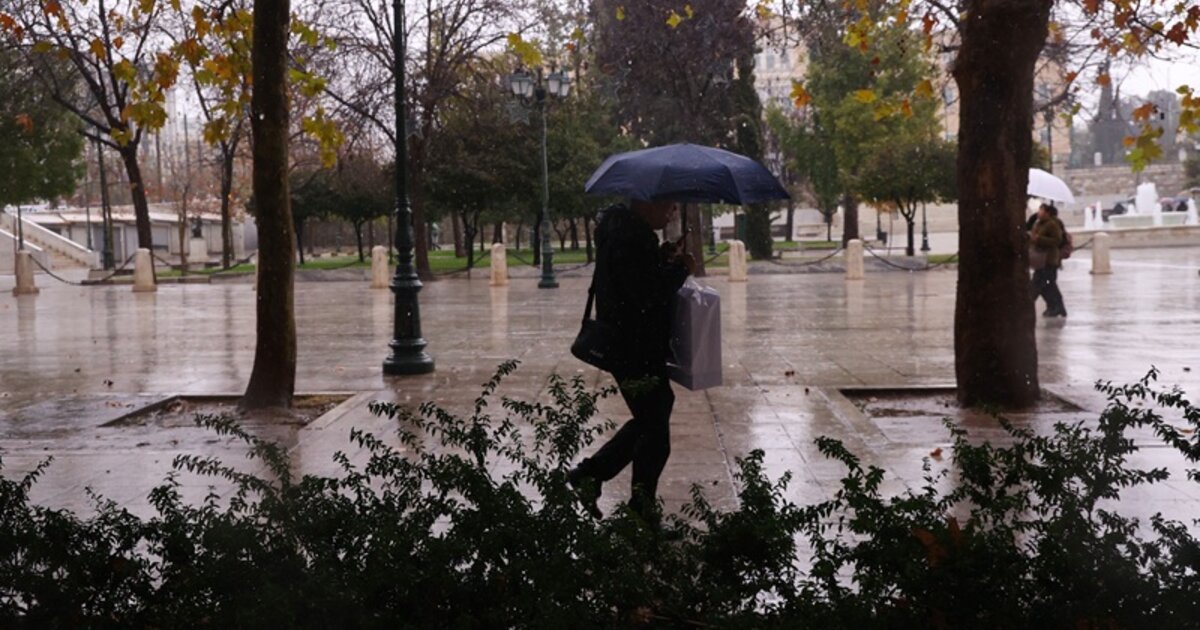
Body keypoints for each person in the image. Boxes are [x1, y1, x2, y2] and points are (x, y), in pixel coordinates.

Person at [568, 199, 695, 522]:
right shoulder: (631, 238)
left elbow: (635, 282)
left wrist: (662, 258)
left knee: (652, 421)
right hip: (634, 345)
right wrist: (680, 269)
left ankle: (602, 483)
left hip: (630, 343)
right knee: (655, 431)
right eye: (668, 204)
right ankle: (627, 503)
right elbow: (646, 296)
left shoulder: (624, 232)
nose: (673, 211)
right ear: (647, 203)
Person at [1029, 203, 1067, 318]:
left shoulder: (1052, 224)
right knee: (1048, 285)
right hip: (1040, 259)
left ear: (1047, 213)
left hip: (1049, 259)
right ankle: (1056, 307)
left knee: (1040, 284)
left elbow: (1057, 240)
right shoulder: (1038, 223)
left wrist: (1038, 239)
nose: (1039, 212)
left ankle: (1028, 305)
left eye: (1041, 210)